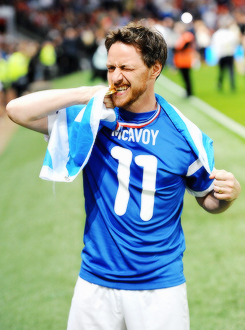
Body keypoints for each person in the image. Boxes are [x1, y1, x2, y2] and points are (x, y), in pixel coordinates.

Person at [6, 21, 241, 330]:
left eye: (127, 68)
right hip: (95, 282)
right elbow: (16, 110)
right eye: (111, 67)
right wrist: (86, 93)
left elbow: (207, 200)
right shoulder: (93, 119)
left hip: (159, 288)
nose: (116, 77)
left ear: (154, 69)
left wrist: (226, 197)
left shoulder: (185, 136)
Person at [173, 21, 196, 97]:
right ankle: (188, 91)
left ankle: (189, 91)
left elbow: (185, 45)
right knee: (184, 77)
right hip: (180, 60)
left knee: (187, 76)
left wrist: (177, 48)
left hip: (185, 59)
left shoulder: (187, 35)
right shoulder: (180, 36)